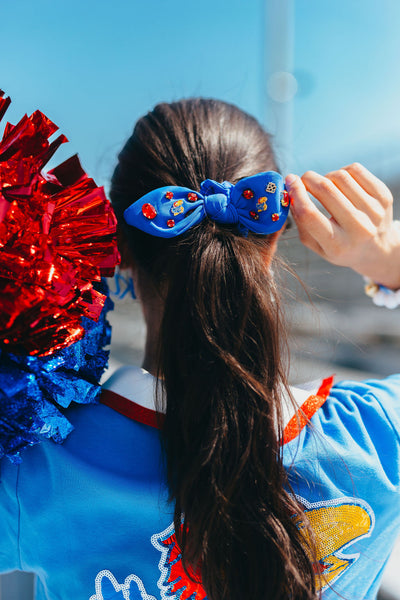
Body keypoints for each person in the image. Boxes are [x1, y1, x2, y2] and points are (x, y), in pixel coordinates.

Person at [0, 98, 399, 600]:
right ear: (275, 233)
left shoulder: (36, 468)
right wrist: (388, 257)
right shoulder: (378, 439)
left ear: (117, 251)